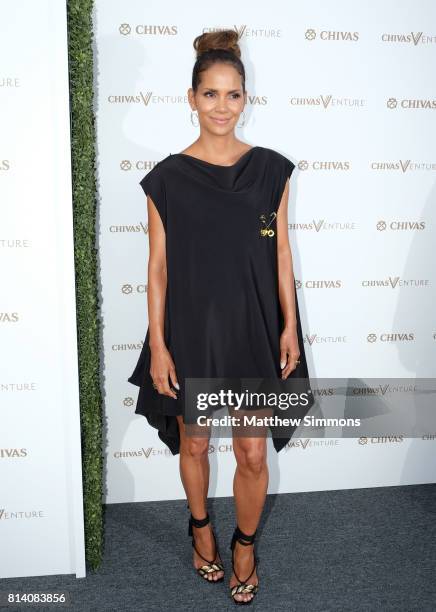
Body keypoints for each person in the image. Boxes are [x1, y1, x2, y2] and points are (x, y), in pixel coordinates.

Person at [128, 29, 313, 604]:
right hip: (191, 333)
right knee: (195, 443)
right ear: (191, 98)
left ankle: (246, 544)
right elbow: (157, 269)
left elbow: (279, 252)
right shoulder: (166, 179)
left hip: (253, 329)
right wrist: (158, 345)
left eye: (234, 95)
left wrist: (289, 326)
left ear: (245, 98)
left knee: (252, 450)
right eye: (210, 94)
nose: (222, 107)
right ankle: (201, 527)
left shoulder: (271, 171)